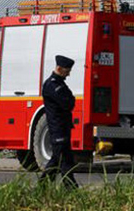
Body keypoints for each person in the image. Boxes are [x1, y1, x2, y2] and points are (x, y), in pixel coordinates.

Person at [39, 55, 78, 188]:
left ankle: (43, 186)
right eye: (67, 71)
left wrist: (70, 100)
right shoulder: (52, 85)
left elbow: (71, 100)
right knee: (64, 160)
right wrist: (70, 100)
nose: (68, 74)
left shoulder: (59, 84)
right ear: (59, 68)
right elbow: (68, 103)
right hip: (58, 127)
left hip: (62, 127)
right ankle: (71, 188)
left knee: (59, 159)